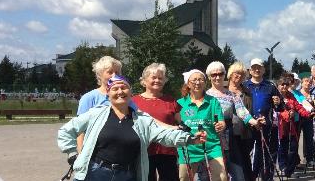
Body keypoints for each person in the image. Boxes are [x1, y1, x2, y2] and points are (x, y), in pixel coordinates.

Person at [58, 75, 207, 181]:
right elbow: (66, 131)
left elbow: (164, 135)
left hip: (127, 174)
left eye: (124, 88)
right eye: (115, 89)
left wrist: (190, 139)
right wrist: (72, 155)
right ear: (108, 94)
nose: (120, 91)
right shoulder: (96, 114)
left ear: (130, 93)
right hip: (95, 173)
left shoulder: (142, 119)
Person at [205, 61, 263, 181]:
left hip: (230, 139)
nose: (217, 77)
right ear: (209, 76)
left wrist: (254, 122)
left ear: (224, 74)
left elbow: (243, 112)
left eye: (220, 74)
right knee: (217, 176)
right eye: (213, 74)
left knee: (239, 176)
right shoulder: (205, 95)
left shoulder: (231, 95)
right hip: (211, 139)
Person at [131, 63, 180, 181]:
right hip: (143, 151)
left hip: (167, 150)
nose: (157, 80)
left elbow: (180, 124)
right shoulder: (133, 101)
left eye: (160, 78)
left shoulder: (171, 101)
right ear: (144, 80)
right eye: (154, 77)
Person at [177, 69, 227, 181]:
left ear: (205, 82)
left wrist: (221, 125)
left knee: (221, 177)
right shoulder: (180, 103)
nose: (197, 82)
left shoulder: (213, 101)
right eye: (194, 80)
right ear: (188, 83)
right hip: (188, 146)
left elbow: (221, 121)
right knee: (184, 178)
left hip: (211, 145)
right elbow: (176, 125)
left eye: (201, 79)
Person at [226, 61, 264, 181]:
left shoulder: (247, 91)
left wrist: (256, 121)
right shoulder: (222, 89)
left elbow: (248, 111)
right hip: (227, 133)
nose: (239, 76)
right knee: (236, 166)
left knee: (245, 163)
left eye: (242, 75)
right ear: (231, 74)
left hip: (245, 132)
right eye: (237, 73)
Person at [244, 58, 280, 181]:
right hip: (248, 124)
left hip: (266, 125)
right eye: (254, 68)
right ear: (250, 70)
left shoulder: (270, 86)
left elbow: (280, 107)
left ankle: (265, 177)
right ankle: (250, 176)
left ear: (264, 69)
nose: (257, 70)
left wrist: (278, 102)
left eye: (259, 67)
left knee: (263, 153)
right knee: (248, 153)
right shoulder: (244, 85)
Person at [274, 74, 312, 177]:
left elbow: (298, 107)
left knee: (294, 148)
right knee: (282, 148)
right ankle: (283, 167)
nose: (284, 87)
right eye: (282, 84)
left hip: (291, 126)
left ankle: (289, 170)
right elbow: (275, 111)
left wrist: (307, 114)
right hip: (280, 127)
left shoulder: (291, 96)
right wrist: (286, 114)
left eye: (286, 84)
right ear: (278, 85)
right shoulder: (275, 96)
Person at [295, 77, 315, 167]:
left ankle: (310, 159)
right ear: (302, 83)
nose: (308, 83)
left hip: (309, 119)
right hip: (298, 118)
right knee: (296, 139)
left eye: (310, 82)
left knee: (309, 139)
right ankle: (296, 160)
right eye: (306, 81)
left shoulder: (312, 94)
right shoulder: (297, 93)